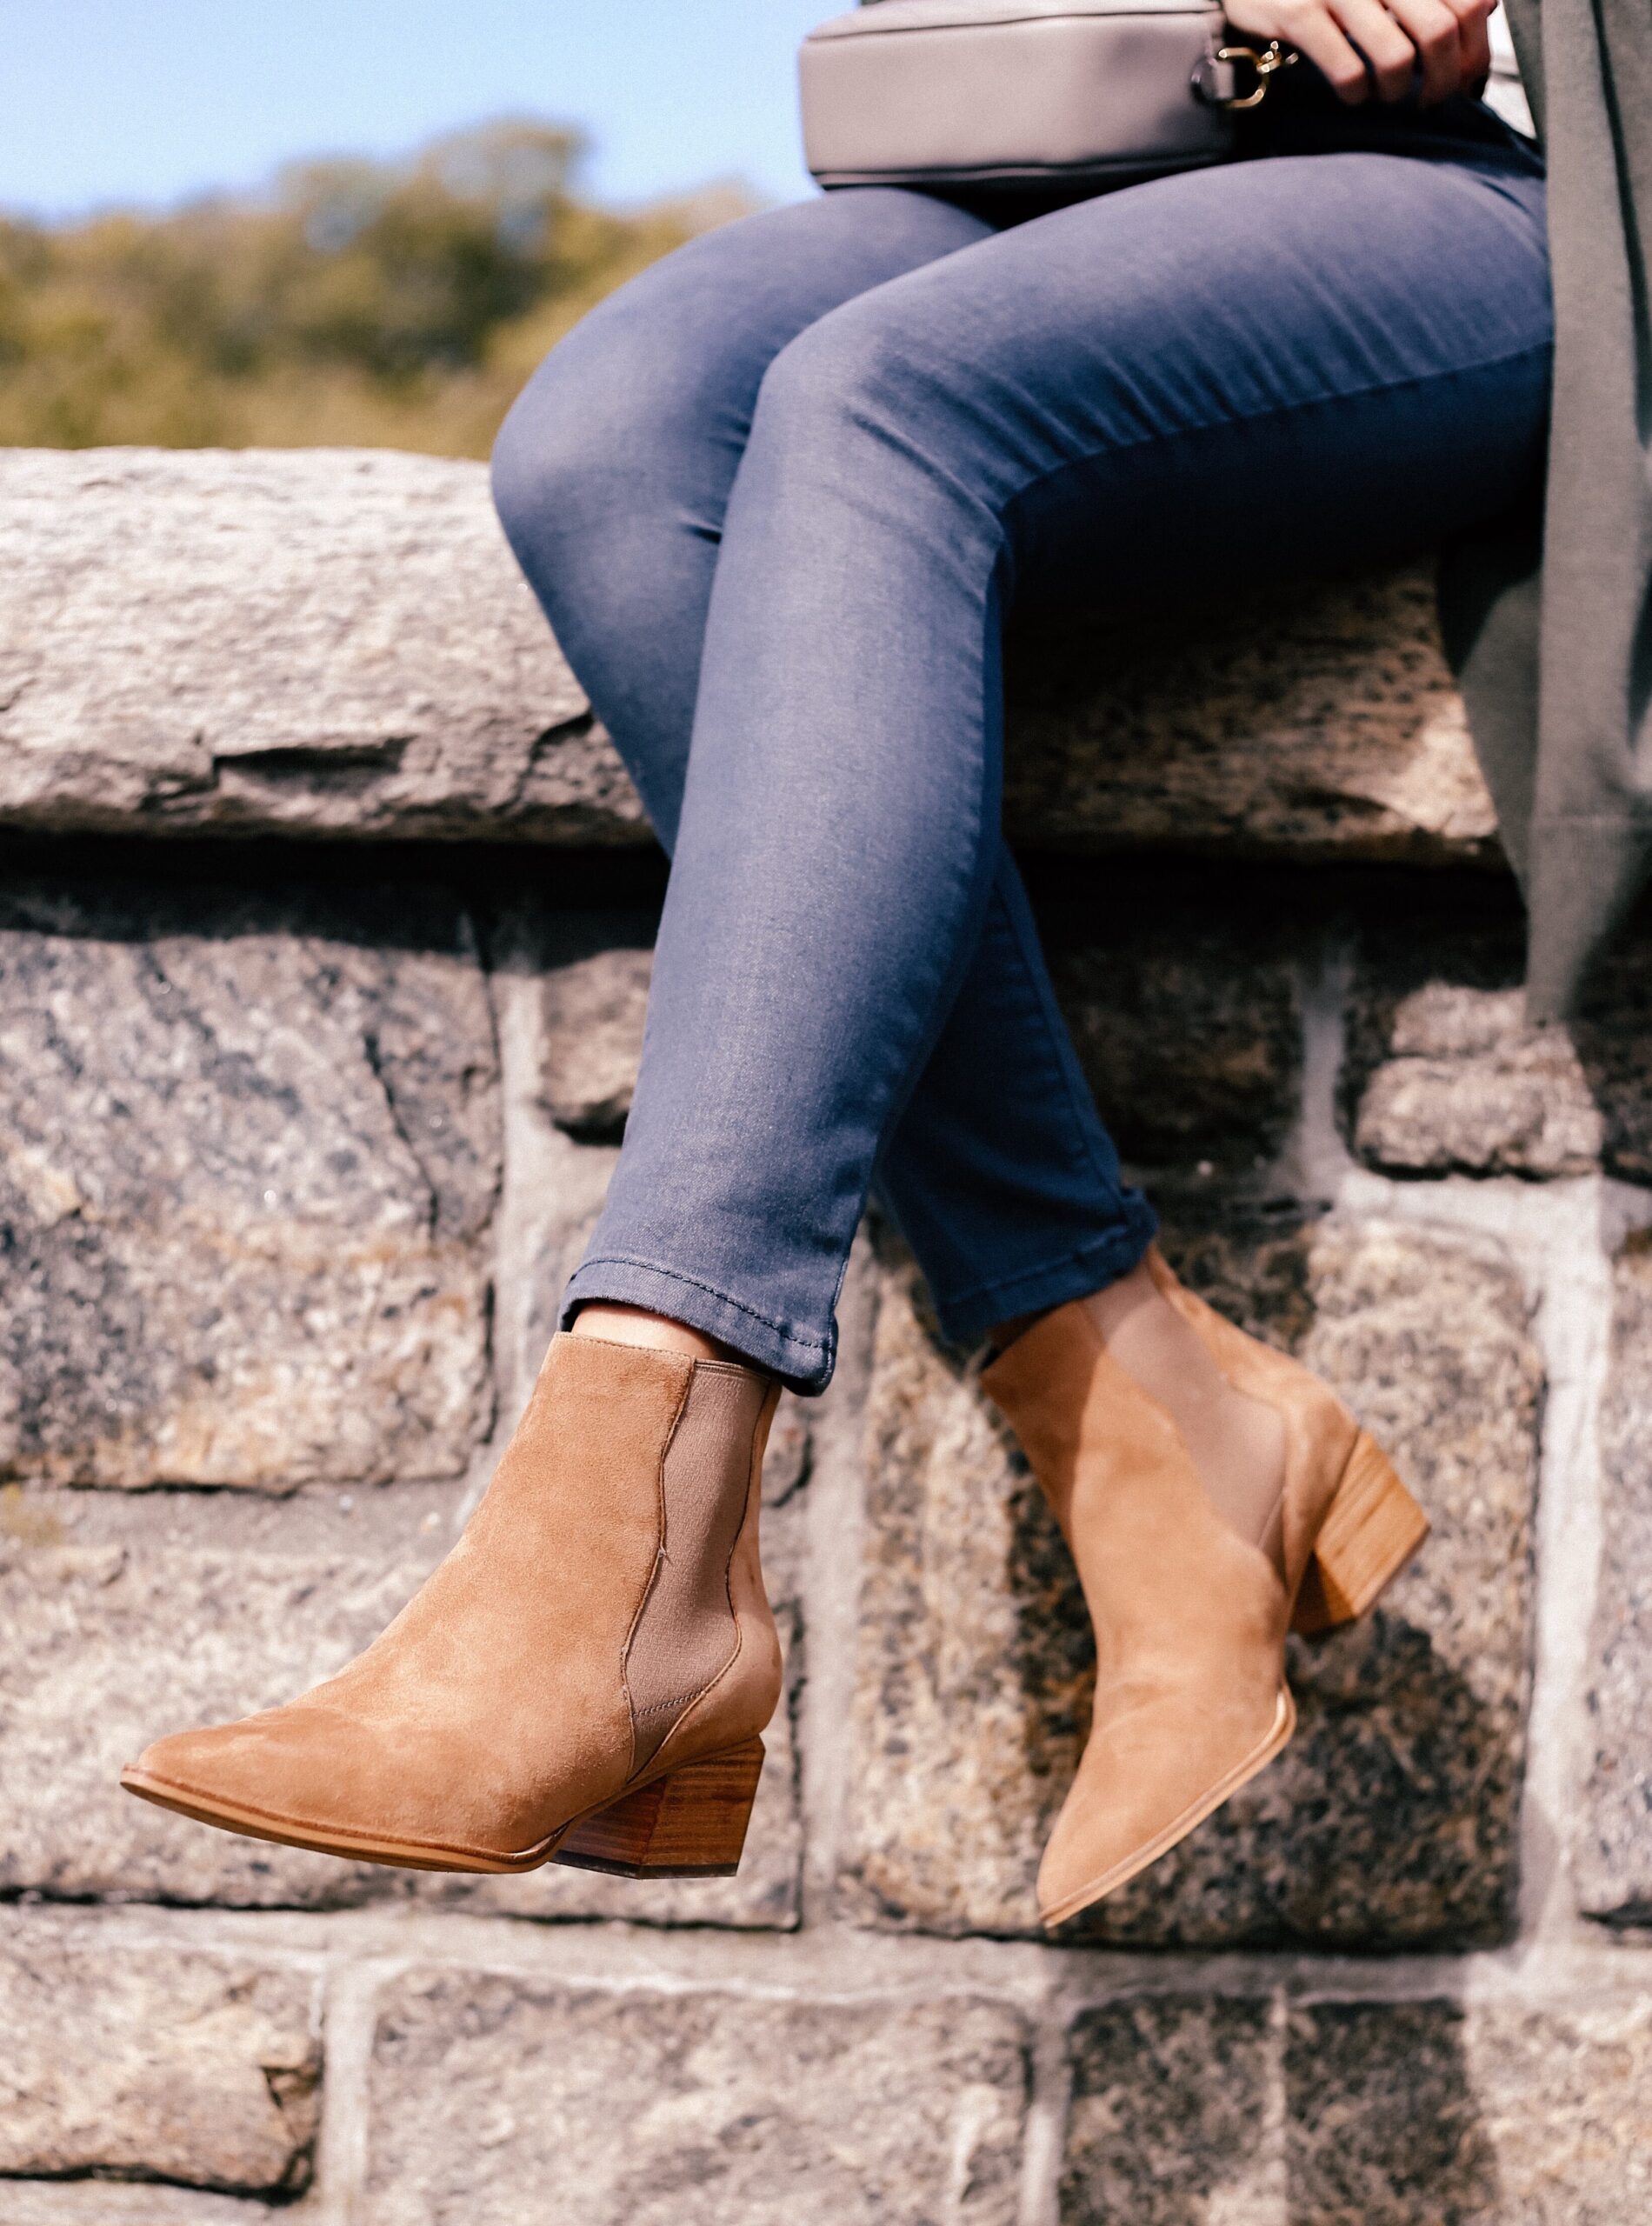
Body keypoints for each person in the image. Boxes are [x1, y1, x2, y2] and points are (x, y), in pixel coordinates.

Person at [121, 1, 1549, 1928]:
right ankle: (1142, 1405)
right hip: (1157, 134)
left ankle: (639, 1539)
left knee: (884, 405)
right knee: (620, 443)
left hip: (1549, 179)